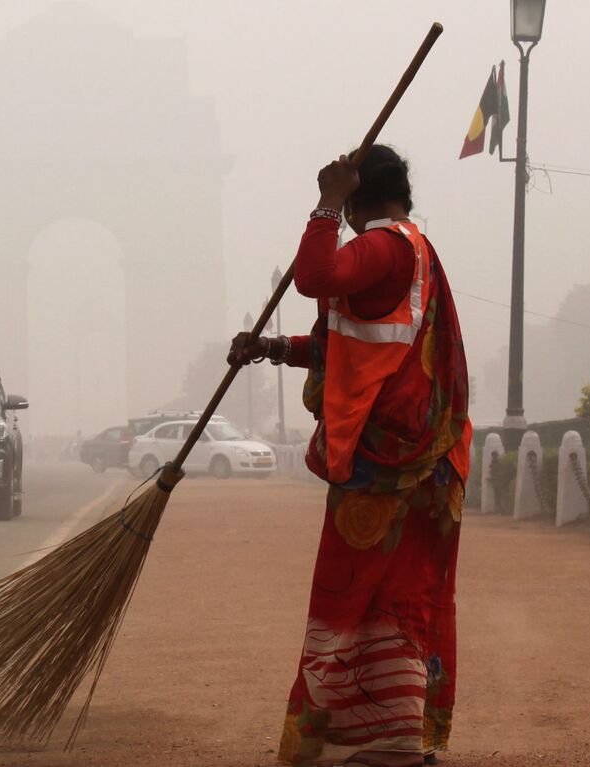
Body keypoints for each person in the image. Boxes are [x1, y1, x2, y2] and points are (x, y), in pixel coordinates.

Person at [229, 145, 470, 767]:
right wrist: (276, 347)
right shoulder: (415, 250)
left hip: (383, 457)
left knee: (352, 588)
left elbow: (313, 279)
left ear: (360, 194)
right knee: (404, 589)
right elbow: (355, 340)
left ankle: (359, 736)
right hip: (425, 456)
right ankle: (398, 734)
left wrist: (324, 205)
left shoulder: (383, 246)